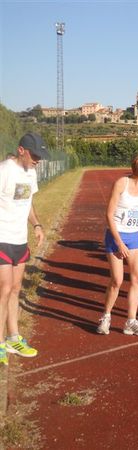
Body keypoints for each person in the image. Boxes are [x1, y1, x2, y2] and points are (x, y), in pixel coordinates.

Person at [0, 133, 50, 364]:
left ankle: (13, 337)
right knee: (4, 289)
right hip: (2, 239)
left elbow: (28, 203)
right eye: (35, 155)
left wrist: (37, 225)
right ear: (21, 150)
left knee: (16, 288)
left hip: (20, 240)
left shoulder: (31, 173)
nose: (38, 160)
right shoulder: (4, 171)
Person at [97, 153, 138, 336]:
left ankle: (131, 321)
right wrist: (118, 242)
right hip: (116, 236)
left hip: (135, 236)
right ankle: (106, 316)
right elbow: (109, 215)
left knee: (137, 278)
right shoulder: (121, 183)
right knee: (117, 280)